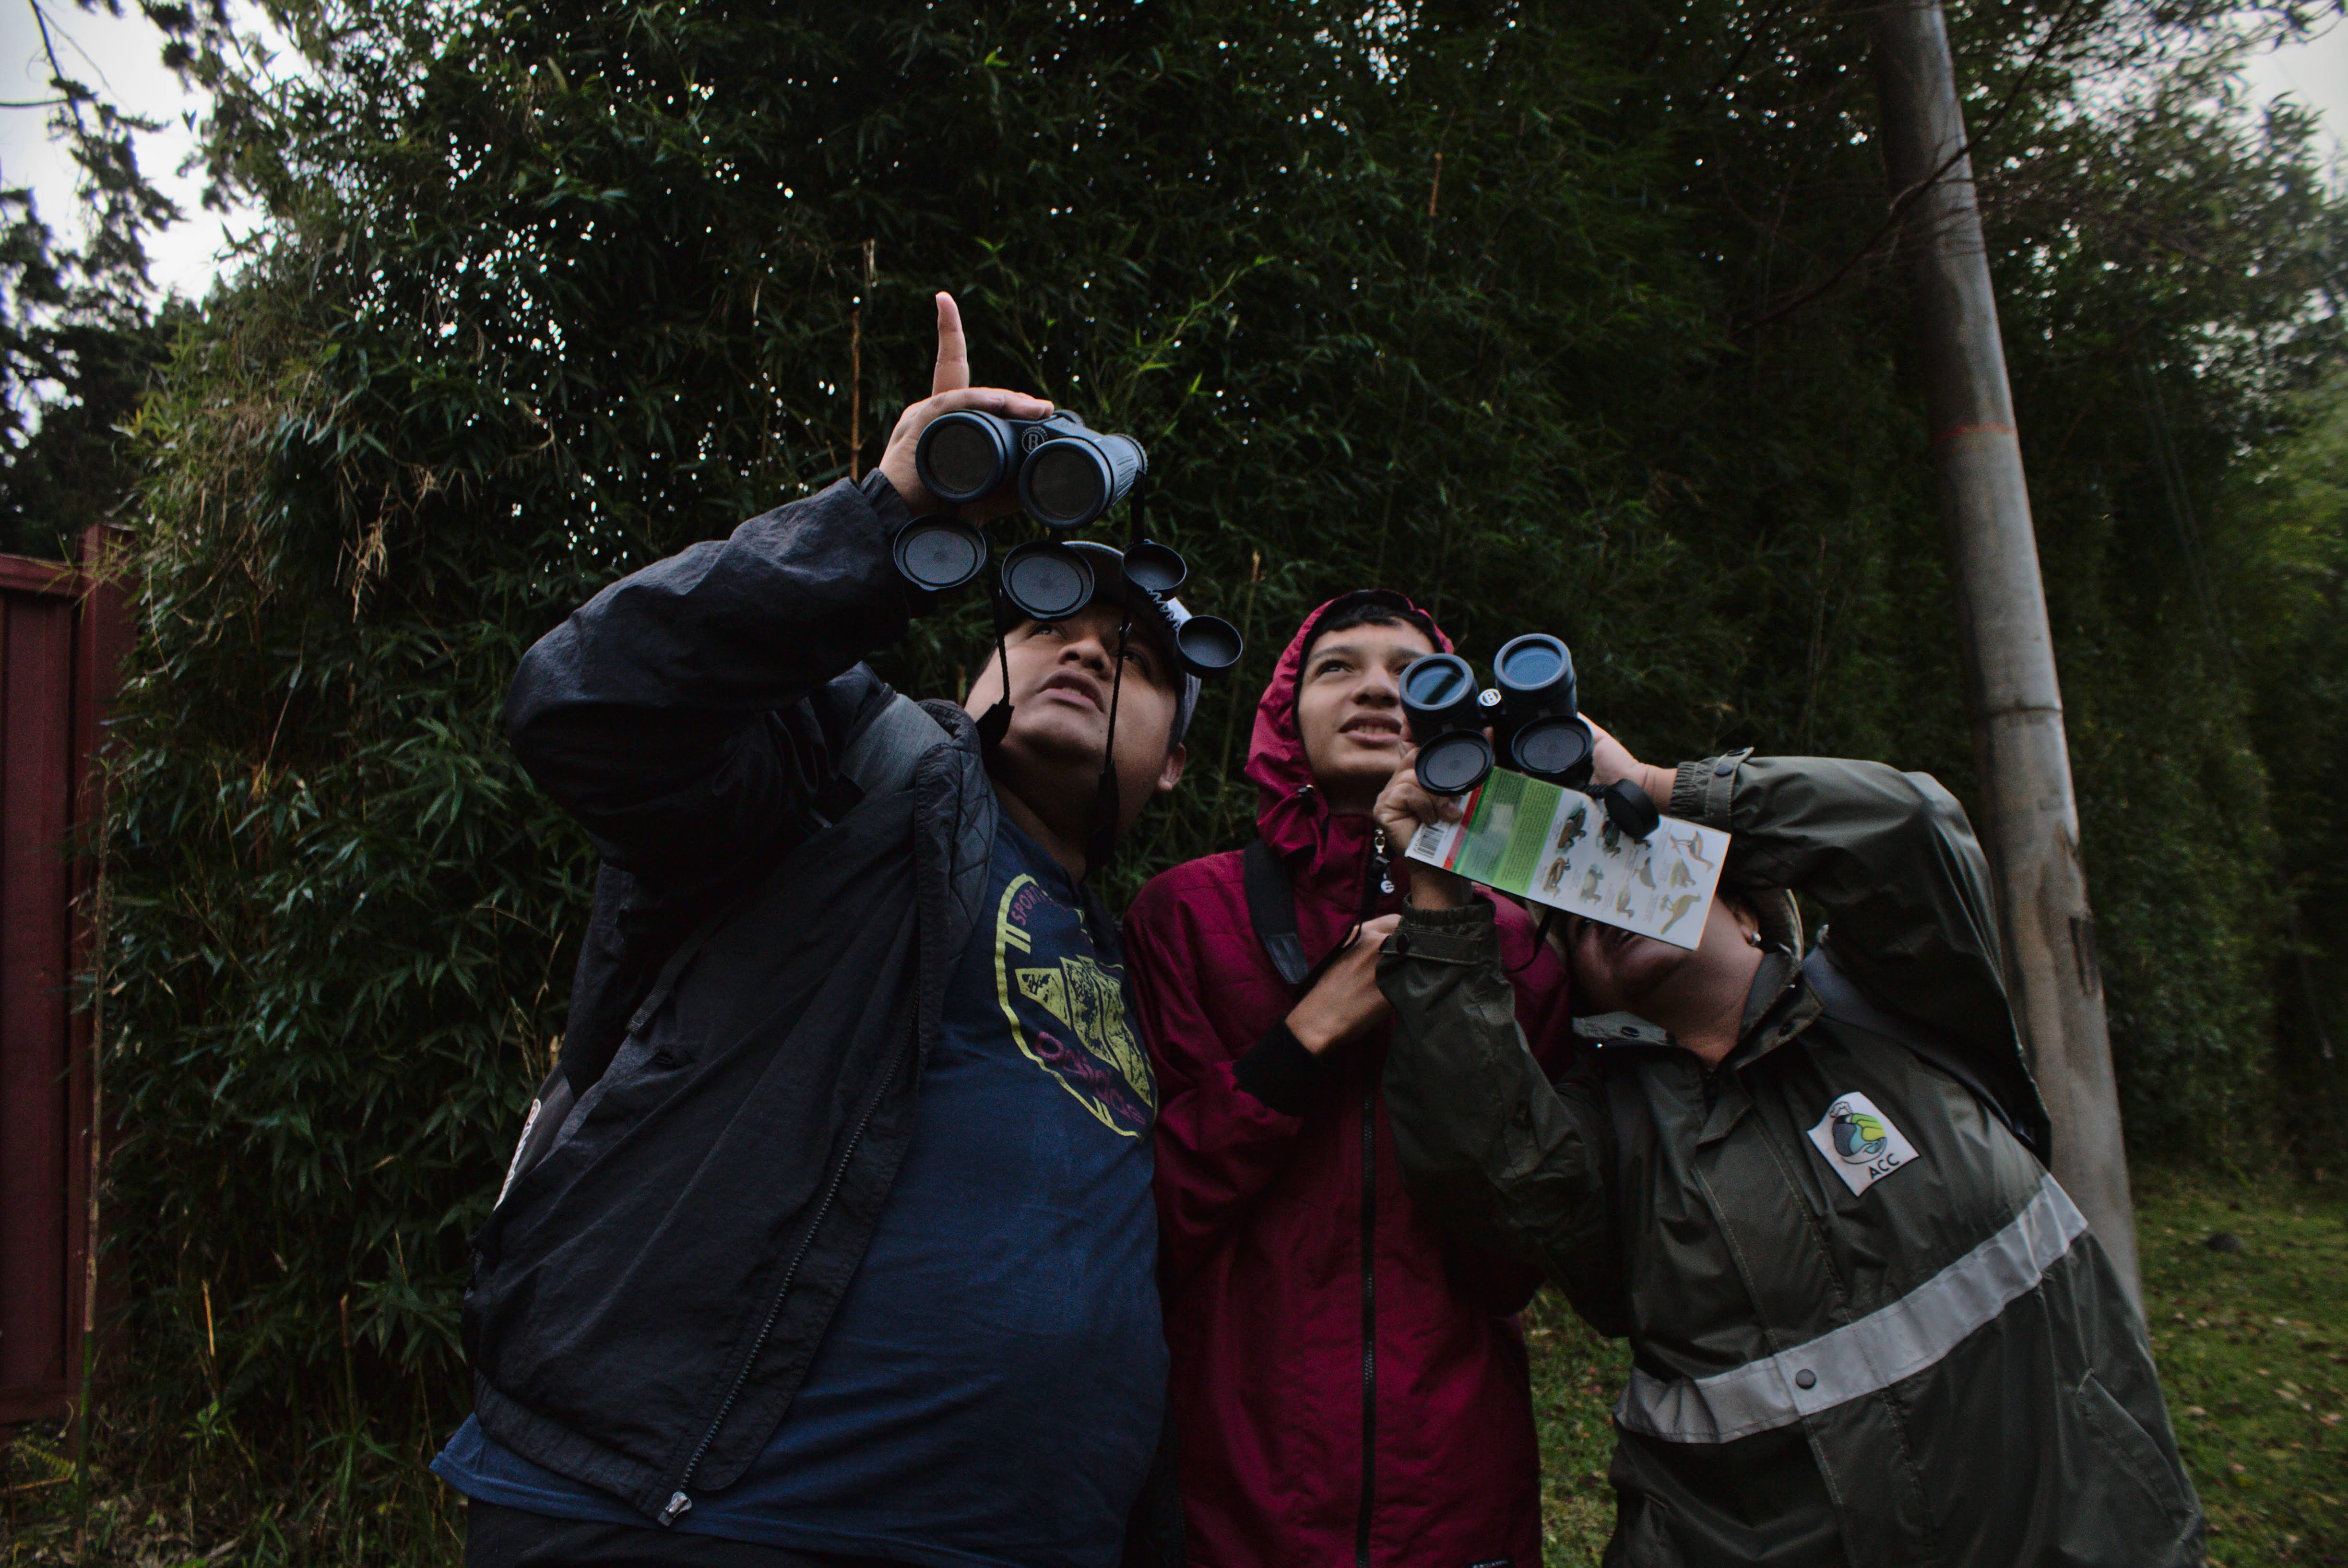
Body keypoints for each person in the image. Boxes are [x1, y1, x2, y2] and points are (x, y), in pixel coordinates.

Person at [432, 294, 1193, 1568]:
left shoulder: (1130, 952)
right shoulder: (842, 766)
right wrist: (886, 522)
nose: (1082, 649)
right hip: (701, 1513)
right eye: (1043, 621)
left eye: (1139, 659)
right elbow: (585, 702)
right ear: (970, 678)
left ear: (1174, 763)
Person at [1368, 726, 2208, 1567]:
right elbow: (1481, 1156)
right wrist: (1438, 898)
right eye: (1581, 916)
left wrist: (1656, 789)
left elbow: (1908, 827)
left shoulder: (1897, 1004)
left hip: (2076, 1528)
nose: (1607, 907)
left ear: (1742, 904)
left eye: (1636, 873)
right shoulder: (1612, 1139)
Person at [1122, 593, 1573, 1568]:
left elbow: (1522, 1243)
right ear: (1284, 712)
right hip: (1238, 1481)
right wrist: (1302, 1036)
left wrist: (1448, 925)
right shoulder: (1186, 914)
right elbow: (1149, 1215)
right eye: (1337, 667)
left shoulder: (1517, 936)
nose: (1375, 686)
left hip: (1455, 1486)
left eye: (1411, 675)